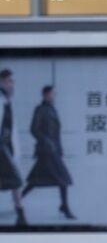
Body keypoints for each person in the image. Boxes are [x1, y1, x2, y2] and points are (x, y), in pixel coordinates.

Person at [22, 85, 74, 220]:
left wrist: (60, 147)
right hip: (46, 151)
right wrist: (46, 141)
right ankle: (65, 207)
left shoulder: (52, 110)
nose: (53, 96)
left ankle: (18, 200)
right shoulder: (40, 110)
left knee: (36, 180)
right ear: (45, 95)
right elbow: (34, 129)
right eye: (52, 94)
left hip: (53, 151)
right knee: (63, 179)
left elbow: (57, 133)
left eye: (54, 94)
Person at [0, 69, 25, 227]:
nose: (13, 84)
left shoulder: (7, 101)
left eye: (13, 81)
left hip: (7, 149)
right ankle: (21, 217)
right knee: (16, 181)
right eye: (10, 81)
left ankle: (21, 217)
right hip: (2, 149)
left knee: (14, 182)